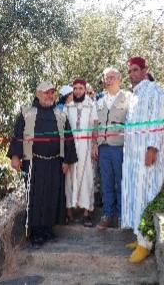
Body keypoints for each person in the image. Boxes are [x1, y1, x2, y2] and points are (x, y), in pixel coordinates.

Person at [7, 81, 78, 247]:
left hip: (55, 162)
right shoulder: (26, 113)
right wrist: (15, 156)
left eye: (52, 92)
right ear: (38, 94)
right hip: (34, 162)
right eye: (46, 92)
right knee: (36, 197)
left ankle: (48, 230)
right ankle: (36, 233)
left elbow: (68, 138)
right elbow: (17, 135)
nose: (50, 95)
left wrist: (67, 160)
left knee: (52, 195)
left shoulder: (61, 115)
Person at [121, 56, 164, 263]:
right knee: (136, 195)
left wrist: (152, 148)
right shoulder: (135, 95)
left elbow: (159, 119)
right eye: (130, 71)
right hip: (133, 157)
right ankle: (140, 236)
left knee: (146, 195)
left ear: (144, 70)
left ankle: (146, 243)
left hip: (147, 155)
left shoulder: (153, 90)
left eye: (135, 70)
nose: (132, 74)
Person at [92, 67, 132, 229]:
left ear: (119, 79)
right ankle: (107, 215)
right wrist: (94, 143)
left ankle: (123, 216)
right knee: (106, 182)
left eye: (112, 77)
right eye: (106, 77)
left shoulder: (128, 98)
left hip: (119, 147)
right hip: (103, 147)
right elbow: (95, 124)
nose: (108, 80)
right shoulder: (99, 100)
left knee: (120, 182)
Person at [64, 78, 98, 227]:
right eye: (75, 88)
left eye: (80, 88)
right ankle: (69, 213)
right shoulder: (68, 106)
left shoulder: (91, 105)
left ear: (85, 89)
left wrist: (95, 145)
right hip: (71, 148)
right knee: (69, 179)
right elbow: (64, 128)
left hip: (86, 146)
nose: (78, 91)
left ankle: (86, 214)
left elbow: (95, 126)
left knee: (87, 179)